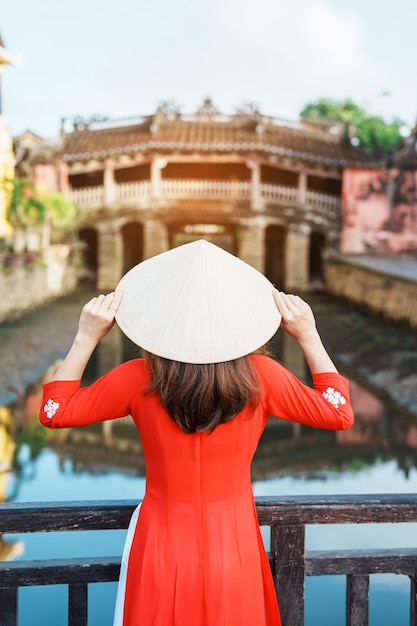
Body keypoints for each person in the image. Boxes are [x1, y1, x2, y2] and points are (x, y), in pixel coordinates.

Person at [39, 239, 354, 626]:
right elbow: (338, 413)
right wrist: (308, 335)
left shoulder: (139, 378)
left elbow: (55, 412)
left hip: (160, 543)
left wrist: (86, 338)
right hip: (234, 544)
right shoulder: (262, 378)